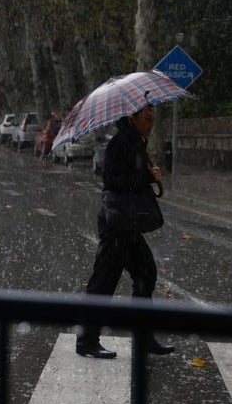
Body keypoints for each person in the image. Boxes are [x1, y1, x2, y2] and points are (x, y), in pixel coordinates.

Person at [75, 104, 175, 359]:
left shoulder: (136, 142)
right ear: (132, 117)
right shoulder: (120, 143)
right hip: (117, 224)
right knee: (104, 281)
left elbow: (133, 178)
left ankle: (143, 336)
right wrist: (146, 177)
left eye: (153, 120)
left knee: (146, 273)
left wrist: (147, 175)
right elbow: (112, 181)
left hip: (127, 225)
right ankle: (87, 340)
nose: (151, 124)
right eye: (147, 119)